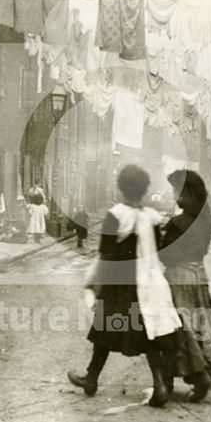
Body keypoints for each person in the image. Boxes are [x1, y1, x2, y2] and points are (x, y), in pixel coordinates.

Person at [67, 165, 180, 407]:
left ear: (121, 188)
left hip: (121, 285)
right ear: (144, 190)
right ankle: (159, 383)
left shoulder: (116, 215)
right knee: (148, 334)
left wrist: (97, 287)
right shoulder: (151, 216)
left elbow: (105, 255)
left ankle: (92, 378)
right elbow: (159, 250)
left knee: (104, 331)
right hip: (148, 284)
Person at [159, 170, 211, 402]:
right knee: (201, 323)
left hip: (179, 279)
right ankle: (209, 365)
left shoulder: (179, 223)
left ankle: (197, 373)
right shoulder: (206, 221)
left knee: (180, 327)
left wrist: (160, 235)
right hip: (199, 275)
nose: (173, 195)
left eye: (175, 190)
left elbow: (167, 256)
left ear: (185, 193)